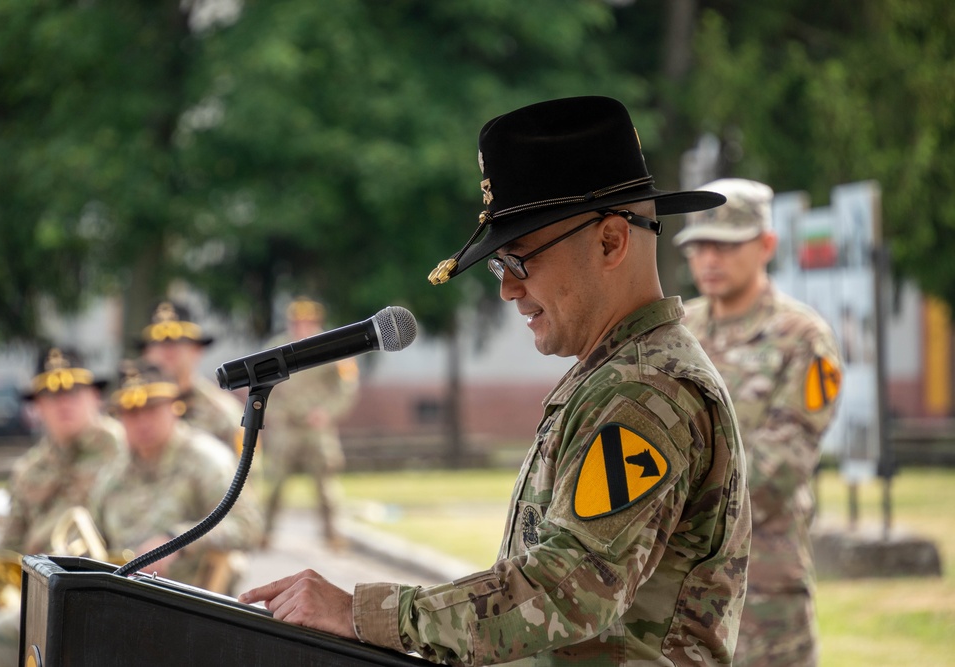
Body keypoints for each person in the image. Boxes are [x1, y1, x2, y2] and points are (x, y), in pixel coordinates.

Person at [240, 96, 751, 665]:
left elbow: (568, 589)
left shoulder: (644, 392)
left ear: (610, 240)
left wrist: (365, 614)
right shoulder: (616, 375)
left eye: (519, 260)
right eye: (498, 265)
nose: (507, 289)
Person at [674, 178, 842, 667]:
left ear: (767, 245)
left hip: (762, 587)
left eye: (726, 245)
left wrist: (670, 516)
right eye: (699, 246)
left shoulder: (804, 339)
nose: (710, 259)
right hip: (679, 592)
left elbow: (779, 467)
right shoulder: (679, 332)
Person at [0, 347, 124, 667]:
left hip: (105, 590)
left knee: (5, 632)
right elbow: (9, 546)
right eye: (50, 395)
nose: (63, 402)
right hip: (37, 591)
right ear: (37, 407)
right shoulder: (29, 468)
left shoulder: (124, 451)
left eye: (73, 391)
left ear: (94, 396)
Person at [88, 359, 263, 594]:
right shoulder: (112, 474)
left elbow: (247, 525)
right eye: (130, 413)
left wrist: (176, 541)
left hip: (191, 601)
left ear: (175, 407)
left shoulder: (206, 459)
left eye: (151, 408)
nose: (142, 421)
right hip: (123, 598)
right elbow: (94, 541)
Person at [259, 297, 360, 550]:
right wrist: (276, 413)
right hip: (288, 427)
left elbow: (346, 386)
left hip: (317, 428)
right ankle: (263, 533)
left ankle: (333, 534)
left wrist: (327, 412)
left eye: (307, 322)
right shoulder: (276, 347)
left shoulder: (333, 345)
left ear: (316, 322)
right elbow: (261, 384)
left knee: (326, 486)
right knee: (275, 484)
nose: (301, 327)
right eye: (297, 322)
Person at [139, 300, 246, 453]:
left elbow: (245, 474)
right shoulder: (132, 415)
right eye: (159, 343)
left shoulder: (223, 415)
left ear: (197, 350)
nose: (167, 350)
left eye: (178, 342)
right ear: (145, 353)